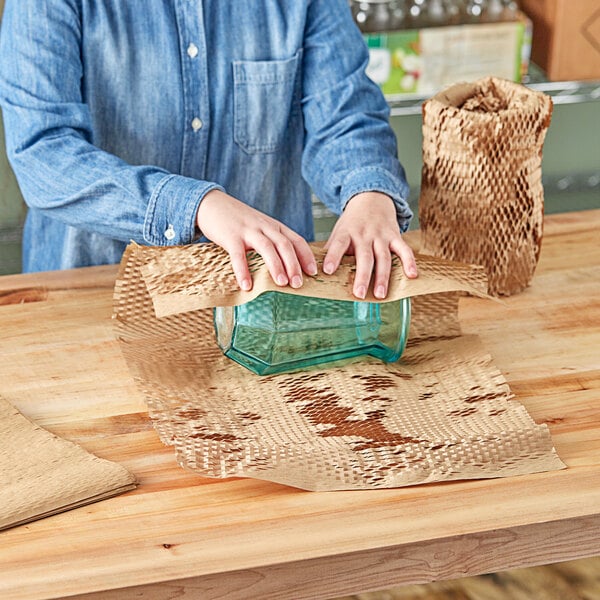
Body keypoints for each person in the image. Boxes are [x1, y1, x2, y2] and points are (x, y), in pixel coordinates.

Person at [0, 0, 417, 300]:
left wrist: (369, 193)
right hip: (91, 304)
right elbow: (42, 152)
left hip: (264, 306)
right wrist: (196, 206)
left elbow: (345, 114)